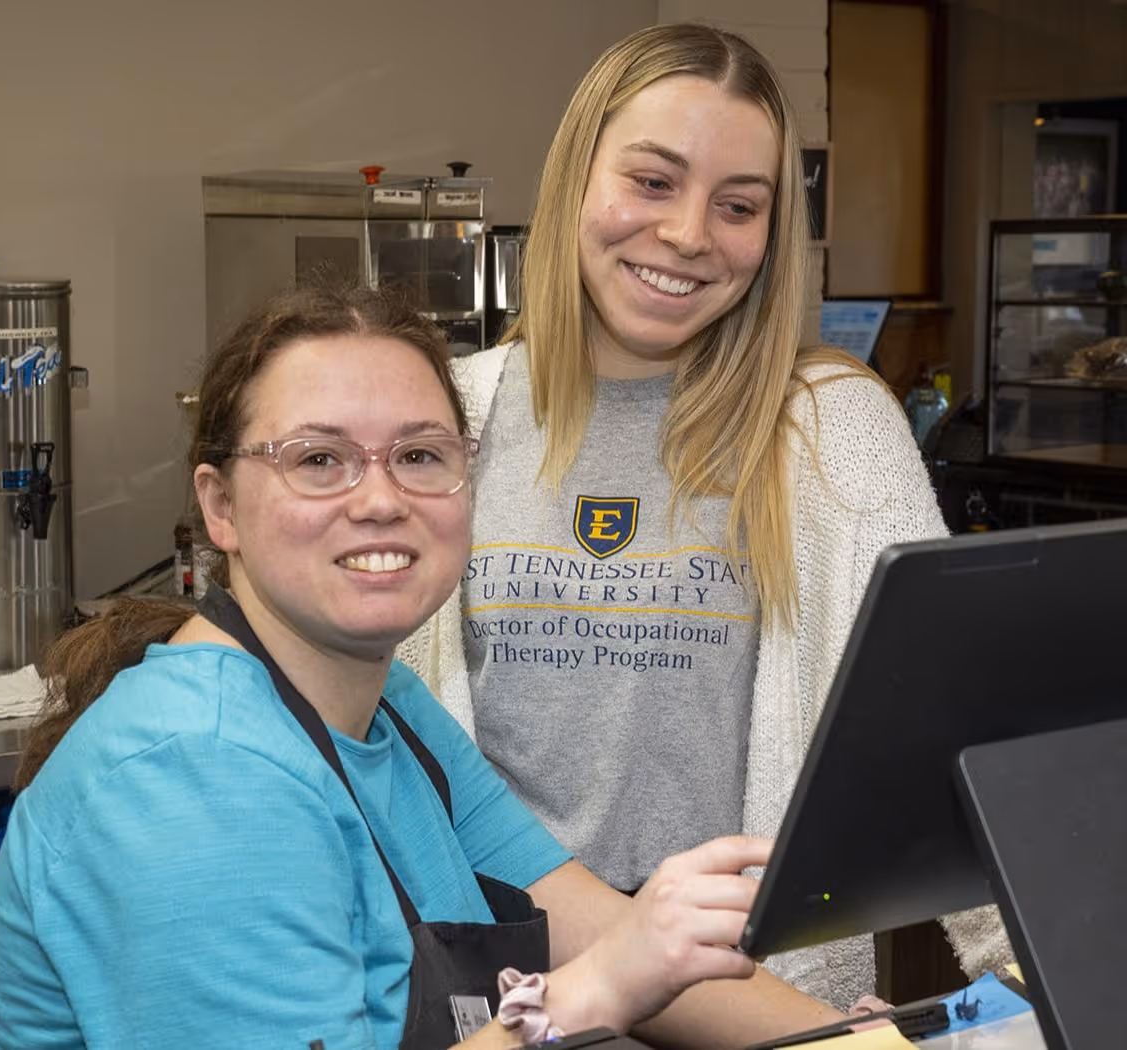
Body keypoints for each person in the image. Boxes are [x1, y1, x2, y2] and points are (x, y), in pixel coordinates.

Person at [0, 284, 850, 1049]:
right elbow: (609, 966)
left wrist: (864, 1043)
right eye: (319, 460)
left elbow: (589, 927)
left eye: (420, 455)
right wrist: (602, 991)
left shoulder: (384, 703)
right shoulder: (193, 777)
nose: (382, 499)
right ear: (220, 507)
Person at [395, 24, 1011, 1002]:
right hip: (497, 995)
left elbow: (948, 711)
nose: (687, 233)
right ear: (573, 182)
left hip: (749, 995)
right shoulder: (447, 418)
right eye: (651, 182)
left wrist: (1028, 961)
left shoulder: (825, 430)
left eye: (737, 205)